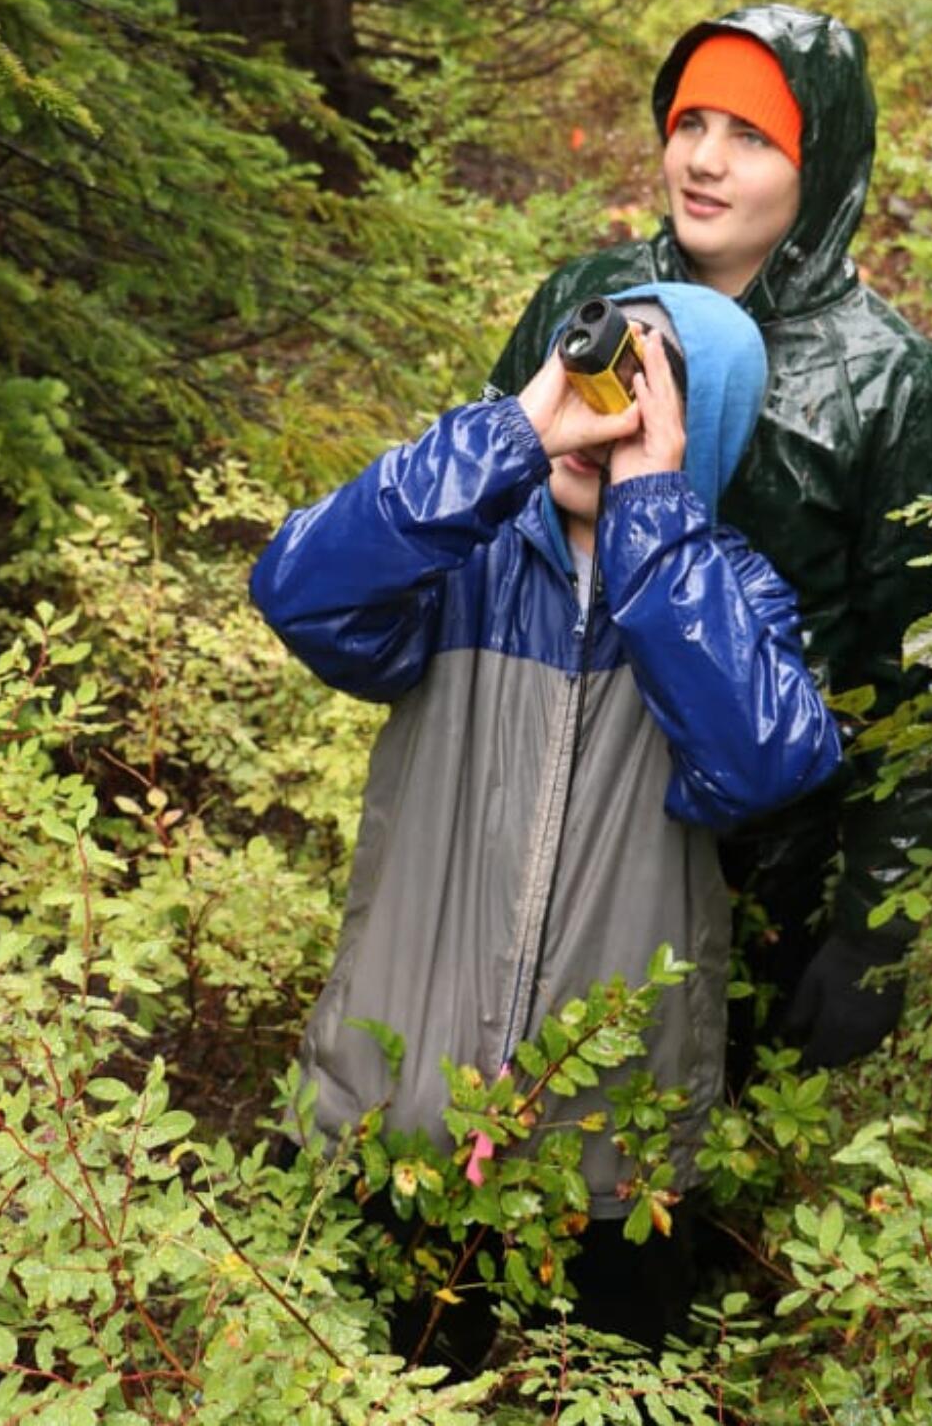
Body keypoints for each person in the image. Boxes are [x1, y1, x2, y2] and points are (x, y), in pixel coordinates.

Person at [251, 282, 841, 1352]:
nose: (605, 402)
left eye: (645, 383)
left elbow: (760, 767)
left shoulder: (728, 594)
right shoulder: (453, 563)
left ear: (693, 427)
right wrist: (516, 434)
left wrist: (650, 519)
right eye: (597, 365)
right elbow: (300, 592)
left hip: (609, 1169)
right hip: (384, 1125)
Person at [484, 5, 932, 1074]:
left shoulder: (895, 387)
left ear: (822, 164)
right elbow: (478, 519)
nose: (702, 161)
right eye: (689, 121)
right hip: (534, 806)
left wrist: (869, 932)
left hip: (754, 870)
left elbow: (925, 682)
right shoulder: (583, 299)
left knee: (671, 1177)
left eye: (750, 136)